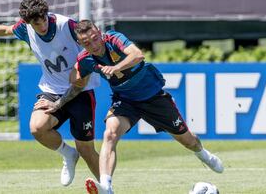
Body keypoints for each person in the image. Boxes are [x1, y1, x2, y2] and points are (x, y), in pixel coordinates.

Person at [70, 20, 224, 194]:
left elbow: (137, 55)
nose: (93, 45)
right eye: (87, 43)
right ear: (80, 44)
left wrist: (115, 68)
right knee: (110, 133)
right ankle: (106, 187)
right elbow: (74, 78)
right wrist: (77, 76)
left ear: (99, 32)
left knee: (189, 141)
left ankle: (204, 155)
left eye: (95, 38)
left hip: (153, 97)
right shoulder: (85, 59)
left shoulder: (114, 39)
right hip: (125, 100)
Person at [0, 0, 100, 186]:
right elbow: (4, 29)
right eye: (36, 22)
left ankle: (107, 188)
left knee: (86, 150)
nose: (42, 24)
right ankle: (68, 154)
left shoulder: (66, 25)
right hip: (52, 89)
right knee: (37, 127)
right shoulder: (24, 29)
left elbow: (91, 42)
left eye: (43, 18)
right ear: (28, 22)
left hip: (80, 90)